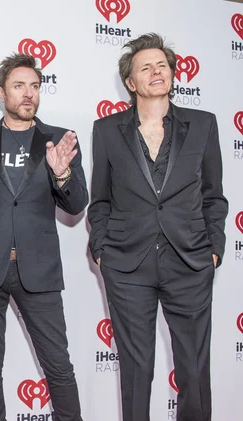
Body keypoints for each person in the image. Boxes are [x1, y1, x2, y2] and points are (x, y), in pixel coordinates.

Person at [88, 33, 228, 421]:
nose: (156, 71)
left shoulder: (203, 125)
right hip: (126, 266)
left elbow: (214, 195)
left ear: (172, 74)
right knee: (136, 372)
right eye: (145, 67)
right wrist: (102, 252)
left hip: (191, 261)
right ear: (131, 83)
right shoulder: (106, 130)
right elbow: (99, 201)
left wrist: (213, 248)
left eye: (162, 65)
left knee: (194, 370)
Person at [0, 53, 87, 421]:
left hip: (39, 270)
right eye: (19, 86)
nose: (28, 94)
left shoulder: (59, 139)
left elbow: (77, 204)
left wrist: (61, 175)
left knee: (59, 366)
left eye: (34, 86)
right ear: (2, 93)